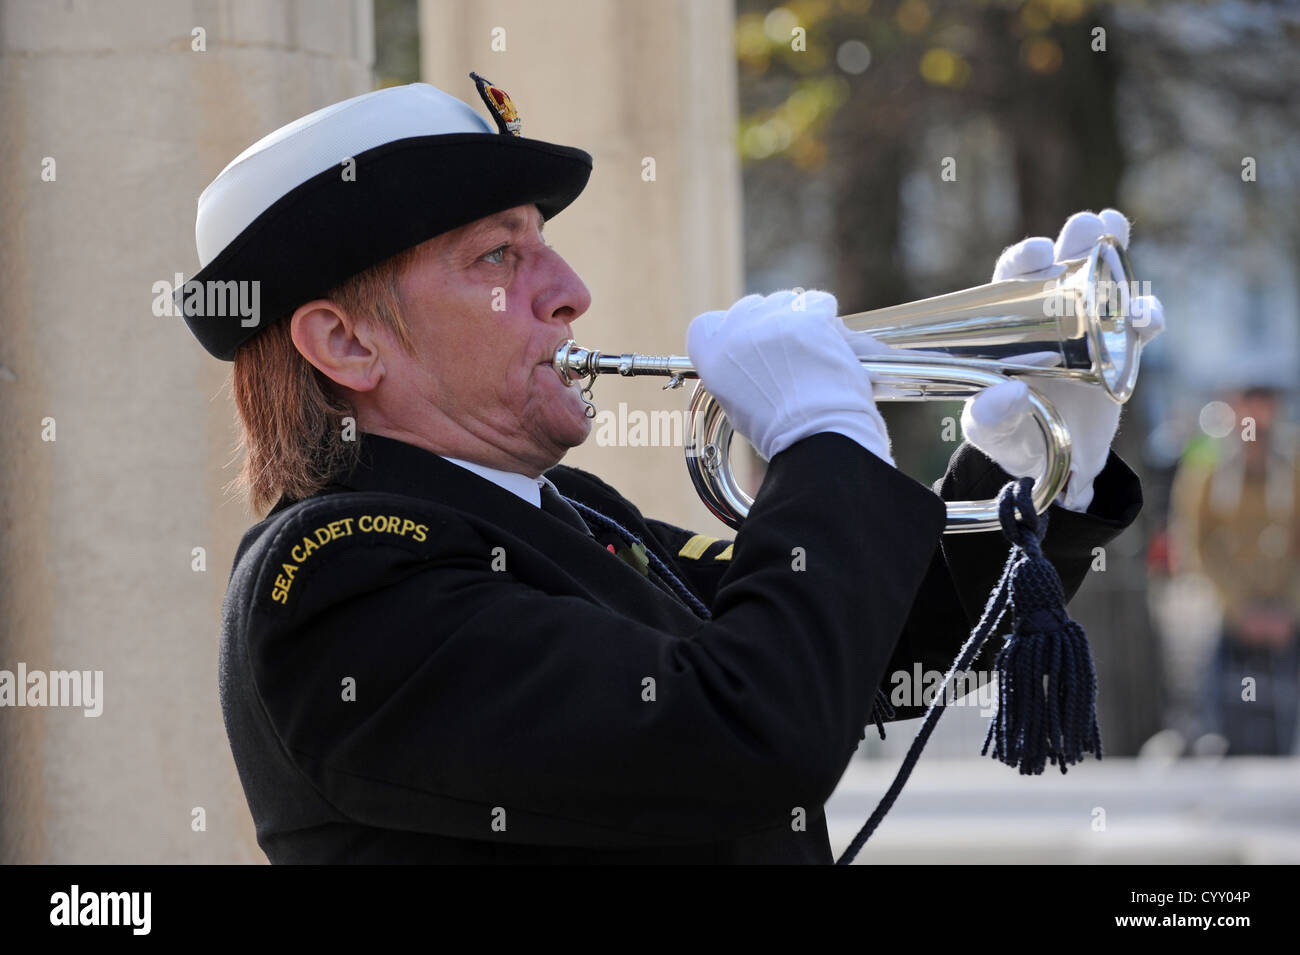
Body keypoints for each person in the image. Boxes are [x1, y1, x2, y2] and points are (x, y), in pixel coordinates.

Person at [181, 75, 1160, 863]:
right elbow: (744, 732)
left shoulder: (563, 512)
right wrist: (822, 444)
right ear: (345, 343)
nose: (569, 292)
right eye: (495, 258)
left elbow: (863, 659)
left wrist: (1022, 475)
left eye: (544, 246)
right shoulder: (339, 582)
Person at [1170, 381, 1300, 754]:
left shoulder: (1291, 469)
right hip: (1228, 613)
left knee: (1283, 717)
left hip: (1286, 613)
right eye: (1249, 409)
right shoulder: (1209, 471)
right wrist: (1240, 609)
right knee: (1227, 712)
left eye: (1265, 409)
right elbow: (1196, 544)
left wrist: (1288, 609)